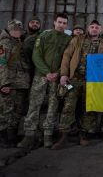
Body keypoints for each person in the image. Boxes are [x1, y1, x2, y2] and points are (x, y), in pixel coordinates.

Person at [51, 20, 103, 150]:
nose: (94, 29)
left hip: (91, 82)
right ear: (88, 28)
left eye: (96, 27)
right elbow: (67, 55)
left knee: (87, 108)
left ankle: (83, 135)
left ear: (100, 30)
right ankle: (63, 137)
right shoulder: (78, 39)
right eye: (92, 27)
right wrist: (63, 74)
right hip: (74, 79)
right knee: (68, 106)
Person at [18, 13, 71, 149]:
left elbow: (68, 59)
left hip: (57, 78)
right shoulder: (44, 36)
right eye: (59, 22)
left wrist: (57, 73)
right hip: (41, 76)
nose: (61, 25)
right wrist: (46, 72)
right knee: (34, 104)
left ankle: (48, 135)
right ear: (54, 22)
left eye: (64, 23)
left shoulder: (68, 39)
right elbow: (36, 56)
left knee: (53, 106)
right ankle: (29, 135)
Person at [0, 20, 31, 147]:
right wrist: (4, 83)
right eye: (15, 30)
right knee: (6, 111)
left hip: (21, 84)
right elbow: (1, 64)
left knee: (17, 112)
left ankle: (11, 137)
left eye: (19, 30)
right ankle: (2, 138)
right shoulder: (5, 43)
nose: (18, 32)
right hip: (10, 84)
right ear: (10, 30)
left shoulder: (18, 42)